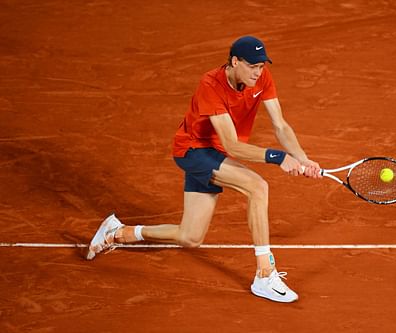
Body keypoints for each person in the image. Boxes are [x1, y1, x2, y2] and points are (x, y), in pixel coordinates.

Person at [86, 36, 321, 303]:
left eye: (262, 66)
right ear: (235, 61)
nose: (259, 71)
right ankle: (264, 274)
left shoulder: (262, 78)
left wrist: (302, 158)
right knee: (258, 187)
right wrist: (278, 157)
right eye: (253, 66)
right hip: (193, 151)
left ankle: (118, 232)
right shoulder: (210, 85)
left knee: (190, 237)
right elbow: (233, 146)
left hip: (215, 154)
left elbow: (280, 125)